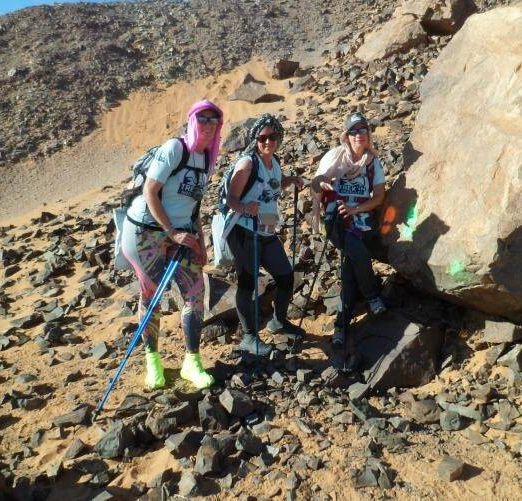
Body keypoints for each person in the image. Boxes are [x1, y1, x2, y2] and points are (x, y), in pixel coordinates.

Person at [121, 99, 223, 390]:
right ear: (192, 121)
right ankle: (152, 361)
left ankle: (192, 361)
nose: (207, 125)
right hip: (148, 231)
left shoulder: (205, 159)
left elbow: (195, 206)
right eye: (202, 119)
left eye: (213, 120)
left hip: (182, 231)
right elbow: (150, 192)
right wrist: (171, 232)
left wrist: (202, 244)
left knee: (194, 293)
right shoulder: (174, 149)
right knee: (151, 295)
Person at [225, 114, 305, 355]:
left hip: (266, 227)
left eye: (272, 137)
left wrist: (291, 180)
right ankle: (249, 337)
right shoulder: (248, 163)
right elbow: (231, 199)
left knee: (285, 276)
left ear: (278, 137)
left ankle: (278, 321)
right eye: (262, 138)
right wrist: (244, 207)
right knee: (247, 283)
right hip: (243, 229)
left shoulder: (274, 161)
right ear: (255, 139)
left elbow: (274, 184)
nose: (267, 142)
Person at [311, 111, 387, 350]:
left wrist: (357, 210)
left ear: (368, 134)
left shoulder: (373, 163)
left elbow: (379, 197)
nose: (358, 135)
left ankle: (341, 328)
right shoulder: (335, 157)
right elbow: (315, 182)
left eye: (362, 130)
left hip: (364, 223)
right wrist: (322, 182)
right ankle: (373, 296)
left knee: (350, 272)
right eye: (353, 131)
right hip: (338, 223)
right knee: (361, 256)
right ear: (346, 136)